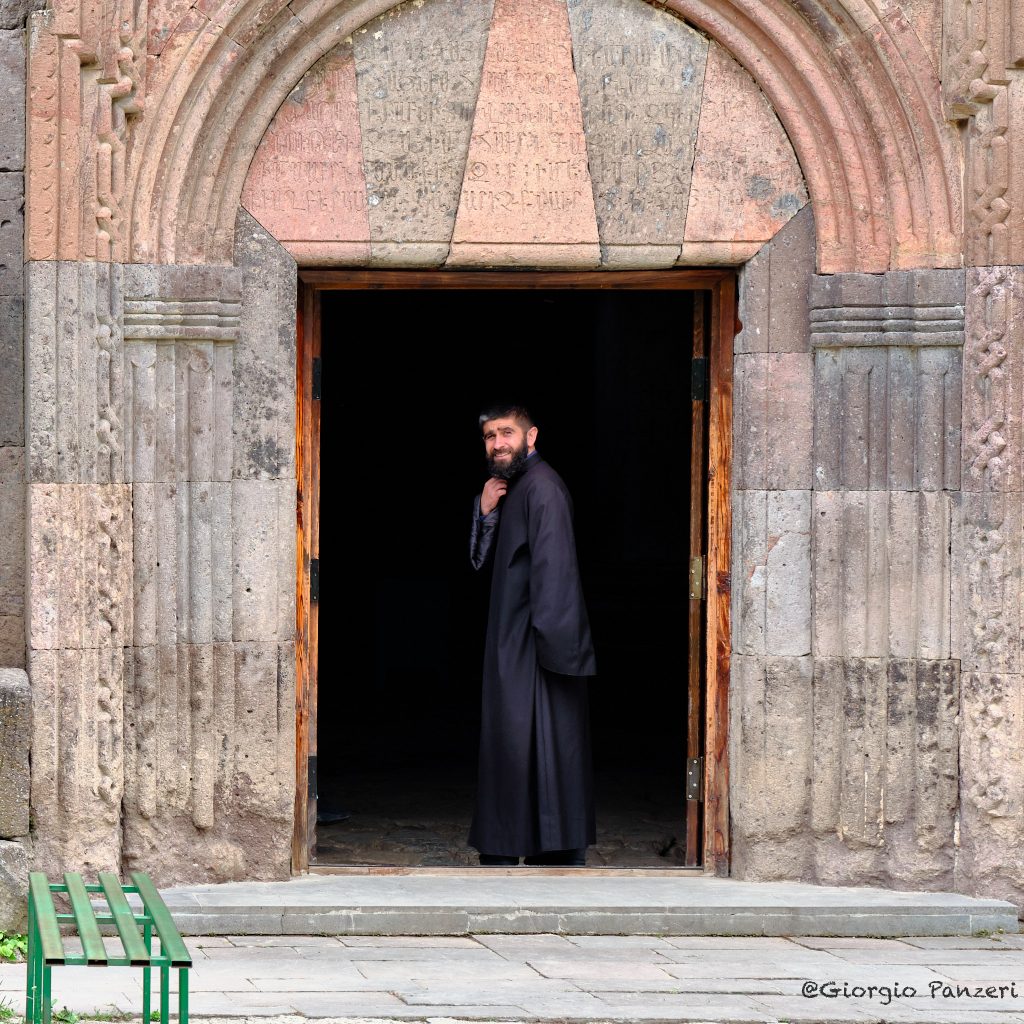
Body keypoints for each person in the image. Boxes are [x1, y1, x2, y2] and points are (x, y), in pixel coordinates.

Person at [468, 404, 596, 867]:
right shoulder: (512, 488)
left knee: (539, 746)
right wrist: (484, 512)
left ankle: (549, 851)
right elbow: (487, 565)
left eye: (506, 433)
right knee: (512, 744)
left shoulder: (544, 488)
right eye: (489, 436)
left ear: (531, 436)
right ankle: (511, 847)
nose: (497, 443)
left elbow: (555, 571)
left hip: (538, 647)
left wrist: (561, 654)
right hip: (516, 640)